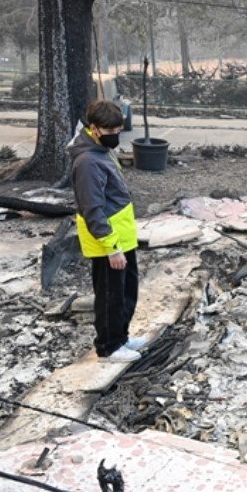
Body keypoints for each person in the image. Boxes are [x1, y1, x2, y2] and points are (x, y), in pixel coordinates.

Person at [71, 100, 147, 362]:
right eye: (111, 132)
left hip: (122, 238)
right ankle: (108, 346)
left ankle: (122, 337)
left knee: (127, 290)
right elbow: (92, 209)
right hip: (108, 242)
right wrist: (111, 247)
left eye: (118, 131)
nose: (116, 137)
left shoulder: (101, 150)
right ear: (94, 128)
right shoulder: (88, 162)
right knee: (109, 295)